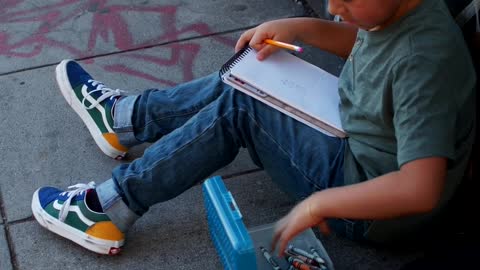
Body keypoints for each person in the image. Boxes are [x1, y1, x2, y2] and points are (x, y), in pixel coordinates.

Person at [31, 0, 476, 258]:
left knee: (242, 107)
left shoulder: (424, 62)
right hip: (357, 136)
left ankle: (110, 207)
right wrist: (296, 28)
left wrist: (321, 202)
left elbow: (420, 188)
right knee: (251, 75)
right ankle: (126, 120)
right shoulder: (399, 10)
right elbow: (367, 43)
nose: (334, 7)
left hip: (370, 204)